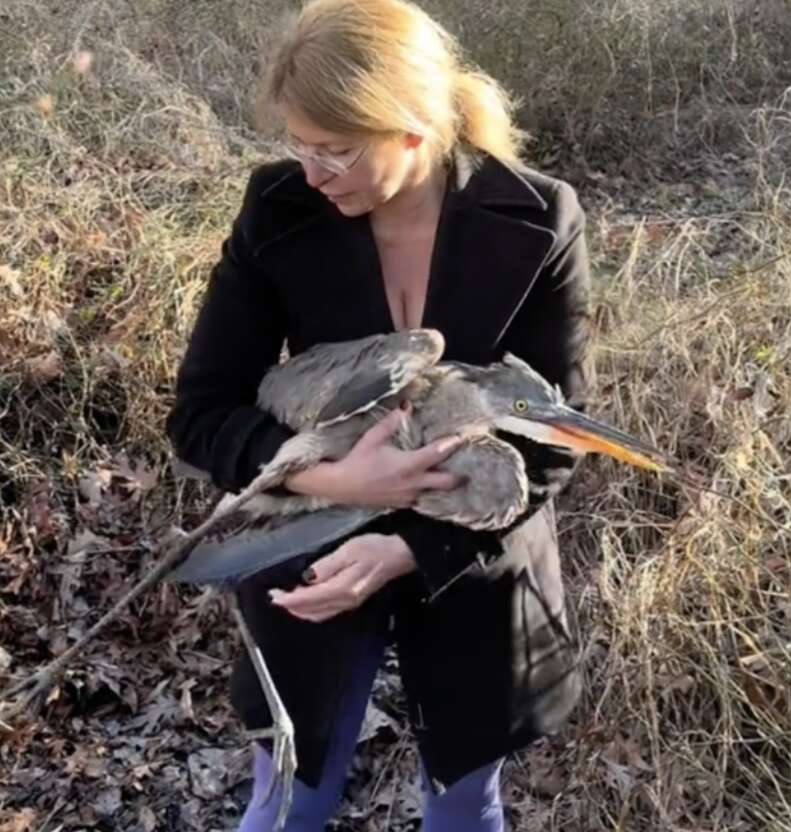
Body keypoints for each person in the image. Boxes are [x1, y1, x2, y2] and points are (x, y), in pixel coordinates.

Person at [166, 0, 593, 828]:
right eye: (300, 144)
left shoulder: (539, 221)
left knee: (465, 805)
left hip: (475, 560)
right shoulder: (278, 209)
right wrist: (333, 478)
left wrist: (407, 545)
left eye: (337, 150)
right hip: (306, 555)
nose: (314, 172)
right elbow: (202, 410)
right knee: (289, 803)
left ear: (412, 128)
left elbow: (557, 430)